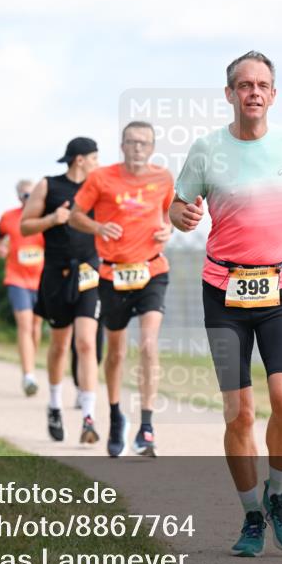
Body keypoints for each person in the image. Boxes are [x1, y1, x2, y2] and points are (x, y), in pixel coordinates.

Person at [169, 51, 282, 557]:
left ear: (273, 95)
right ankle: (252, 517)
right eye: (244, 85)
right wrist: (182, 216)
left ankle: (277, 493)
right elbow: (176, 205)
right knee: (239, 414)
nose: (253, 92)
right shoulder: (205, 150)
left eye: (262, 85)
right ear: (230, 94)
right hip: (224, 293)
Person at [70, 121, 174, 457]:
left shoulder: (163, 178)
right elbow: (74, 216)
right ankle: (116, 416)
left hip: (152, 269)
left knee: (147, 343)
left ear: (153, 147)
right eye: (132, 142)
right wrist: (98, 226)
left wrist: (168, 229)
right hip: (112, 275)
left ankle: (146, 426)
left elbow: (172, 213)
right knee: (115, 352)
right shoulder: (101, 178)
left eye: (144, 143)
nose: (138, 148)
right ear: (122, 145)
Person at [20, 137, 101, 444]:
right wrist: (53, 219)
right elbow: (25, 226)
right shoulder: (48, 186)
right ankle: (54, 404)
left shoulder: (98, 186)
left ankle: (88, 417)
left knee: (85, 343)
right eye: (94, 157)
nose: (97, 163)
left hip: (89, 271)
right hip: (56, 273)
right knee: (59, 344)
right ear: (80, 159)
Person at [0, 180, 45, 396]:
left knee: (35, 328)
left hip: (41, 280)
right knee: (24, 325)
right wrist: (1, 248)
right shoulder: (9, 217)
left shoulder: (44, 217)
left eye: (31, 195)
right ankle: (28, 376)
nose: (28, 199)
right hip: (17, 279)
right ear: (18, 197)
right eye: (24, 195)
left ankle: (30, 363)